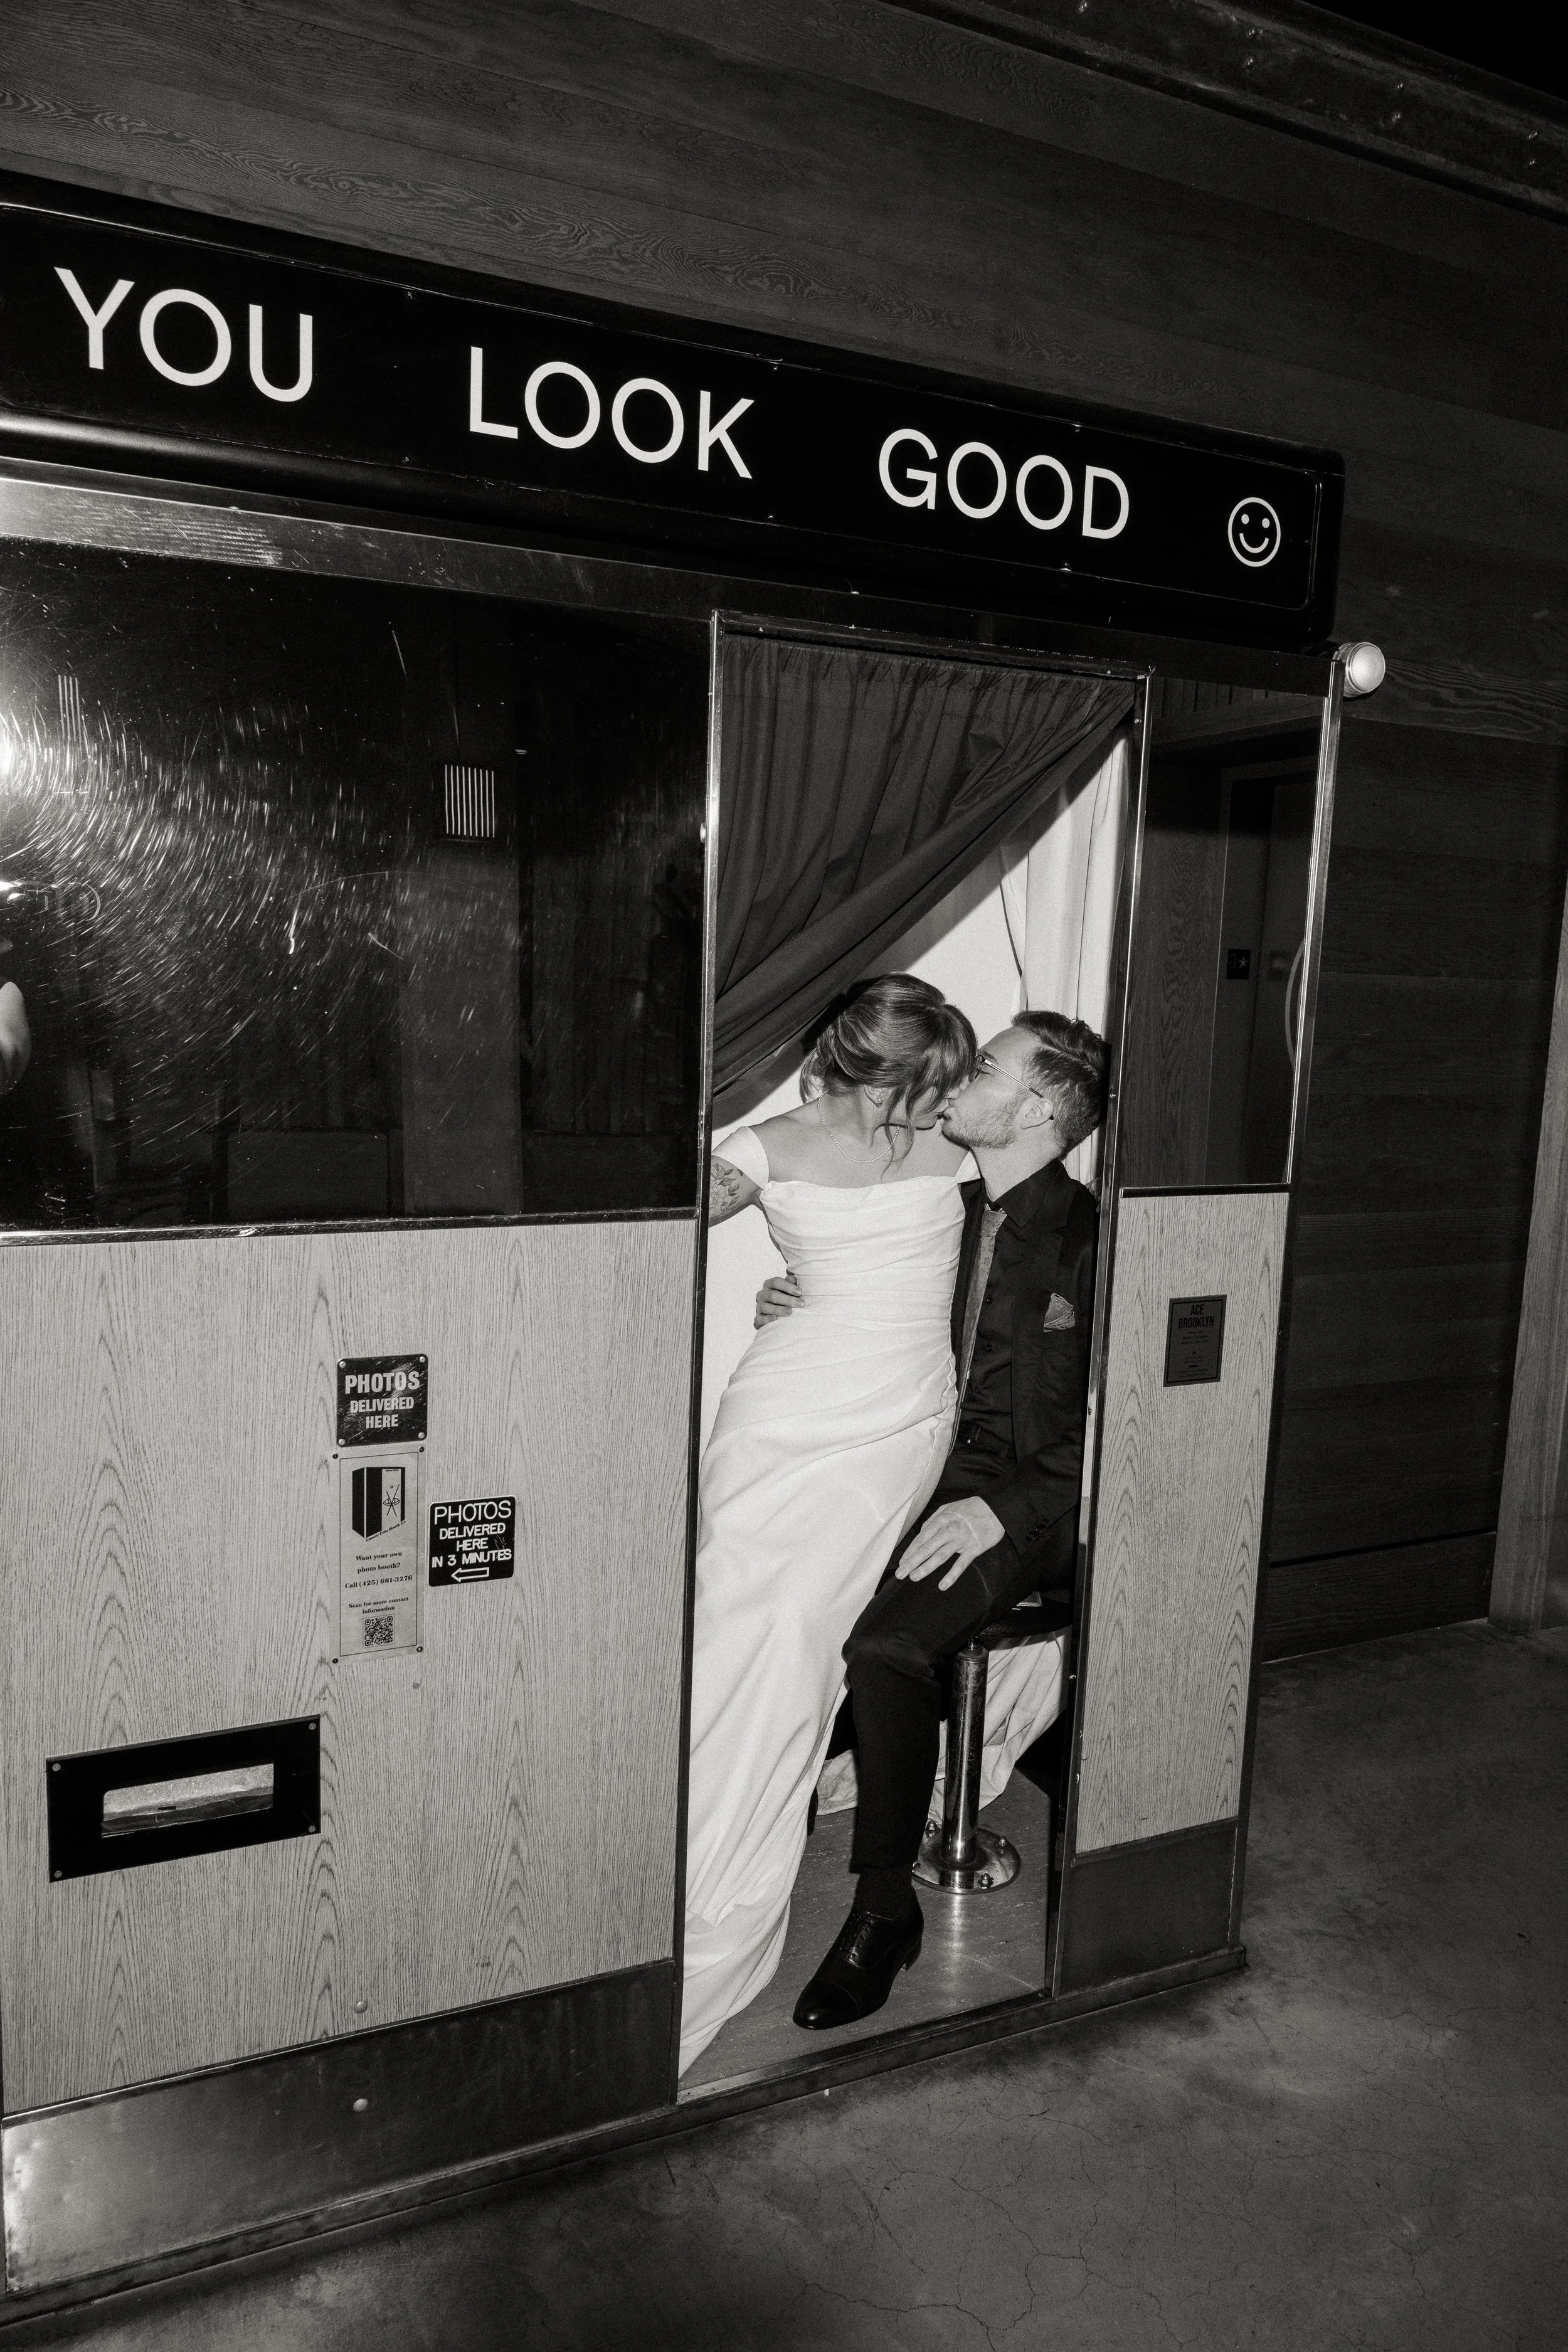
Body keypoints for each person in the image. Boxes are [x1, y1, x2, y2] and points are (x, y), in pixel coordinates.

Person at [760, 1010, 1108, 2033]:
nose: (961, 1074)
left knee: (886, 1644)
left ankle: (883, 1911)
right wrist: (806, 1304)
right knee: (777, 1595)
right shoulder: (940, 1213)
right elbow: (870, 1311)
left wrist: (995, 1516)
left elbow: (1118, 1425)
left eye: (988, 1066)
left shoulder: (1095, 1239)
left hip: (1029, 1508)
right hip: (911, 1475)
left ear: (1039, 1104)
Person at [681, 973, 975, 2072]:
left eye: (940, 1084)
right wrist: (786, 1283)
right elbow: (652, 1215)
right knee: (729, 1622)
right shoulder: (764, 1145)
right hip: (780, 1412)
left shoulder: (959, 1133)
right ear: (856, 1069)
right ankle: (680, 1861)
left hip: (896, 1420)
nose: (926, 1106)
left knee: (796, 1633)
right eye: (910, 1084)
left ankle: (747, 1869)